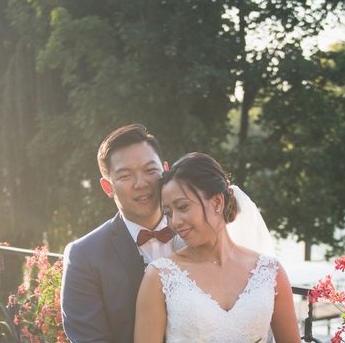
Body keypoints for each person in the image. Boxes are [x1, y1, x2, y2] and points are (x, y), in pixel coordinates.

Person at [134, 152, 301, 343]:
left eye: (183, 207)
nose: (175, 222)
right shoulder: (160, 276)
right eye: (169, 213)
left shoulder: (271, 272)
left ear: (217, 202)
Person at [61, 124, 184, 343]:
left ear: (165, 170)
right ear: (108, 187)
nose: (141, 183)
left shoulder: (197, 235)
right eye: (126, 176)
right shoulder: (84, 256)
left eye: (150, 170)